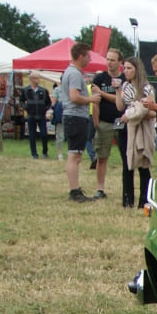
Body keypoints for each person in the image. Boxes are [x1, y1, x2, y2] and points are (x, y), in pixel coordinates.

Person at [88, 47, 125, 201]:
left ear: (120, 62)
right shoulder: (99, 79)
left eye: (112, 60)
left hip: (121, 120)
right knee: (102, 156)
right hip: (104, 121)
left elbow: (122, 100)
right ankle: (100, 189)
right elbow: (96, 101)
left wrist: (103, 94)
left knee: (126, 156)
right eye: (107, 59)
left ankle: (126, 188)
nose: (109, 62)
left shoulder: (125, 79)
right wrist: (95, 121)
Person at [119, 56, 156, 209]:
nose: (126, 71)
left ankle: (144, 200)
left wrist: (134, 115)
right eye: (125, 68)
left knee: (143, 163)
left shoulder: (147, 88)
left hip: (142, 128)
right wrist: (117, 91)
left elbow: (153, 111)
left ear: (137, 69)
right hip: (127, 129)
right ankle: (127, 199)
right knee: (127, 163)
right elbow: (120, 107)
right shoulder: (125, 87)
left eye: (129, 68)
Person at [61, 42, 95, 202]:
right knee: (74, 156)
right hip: (75, 117)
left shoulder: (70, 72)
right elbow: (74, 97)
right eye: (88, 56)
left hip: (73, 117)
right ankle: (74, 191)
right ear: (80, 56)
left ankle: (74, 189)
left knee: (75, 155)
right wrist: (91, 99)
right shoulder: (74, 74)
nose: (89, 59)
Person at [20, 74, 52, 159]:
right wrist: (26, 108)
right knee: (32, 135)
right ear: (31, 79)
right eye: (35, 78)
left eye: (38, 78)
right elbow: (21, 101)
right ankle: (34, 153)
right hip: (31, 115)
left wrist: (44, 109)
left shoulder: (44, 90)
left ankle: (45, 152)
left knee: (44, 134)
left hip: (41, 115)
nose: (37, 80)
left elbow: (48, 102)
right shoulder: (26, 90)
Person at [51, 85, 65, 160]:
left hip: (71, 113)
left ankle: (72, 153)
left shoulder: (73, 88)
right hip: (60, 114)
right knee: (60, 135)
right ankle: (60, 154)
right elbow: (53, 102)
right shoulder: (57, 89)